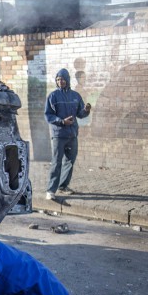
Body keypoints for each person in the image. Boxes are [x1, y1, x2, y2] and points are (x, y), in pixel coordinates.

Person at [44, 68, 91, 200]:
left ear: (67, 80)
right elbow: (48, 116)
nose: (60, 82)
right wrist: (61, 121)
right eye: (58, 79)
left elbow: (80, 115)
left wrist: (86, 110)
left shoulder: (76, 96)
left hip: (72, 134)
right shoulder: (53, 96)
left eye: (63, 79)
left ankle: (63, 186)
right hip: (58, 134)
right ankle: (50, 190)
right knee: (56, 162)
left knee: (70, 161)